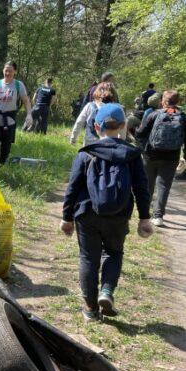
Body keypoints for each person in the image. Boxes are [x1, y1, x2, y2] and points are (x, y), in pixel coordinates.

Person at [60, 103, 153, 322]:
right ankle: (107, 291)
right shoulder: (132, 155)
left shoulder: (86, 154)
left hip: (87, 214)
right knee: (113, 253)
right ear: (122, 126)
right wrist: (144, 218)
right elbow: (141, 188)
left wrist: (66, 218)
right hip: (118, 216)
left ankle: (90, 309)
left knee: (88, 258)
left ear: (95, 126)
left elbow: (72, 188)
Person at [135, 90, 186, 227]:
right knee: (164, 186)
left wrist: (138, 137)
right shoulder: (182, 117)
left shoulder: (154, 114)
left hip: (151, 155)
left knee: (148, 184)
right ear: (178, 102)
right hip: (171, 156)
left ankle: (144, 212)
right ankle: (158, 216)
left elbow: (140, 133)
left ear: (163, 101)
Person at [70, 82, 122, 146]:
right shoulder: (118, 108)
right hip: (110, 144)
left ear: (97, 92)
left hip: (90, 144)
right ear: (113, 93)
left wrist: (73, 139)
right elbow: (122, 129)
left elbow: (79, 122)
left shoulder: (89, 106)